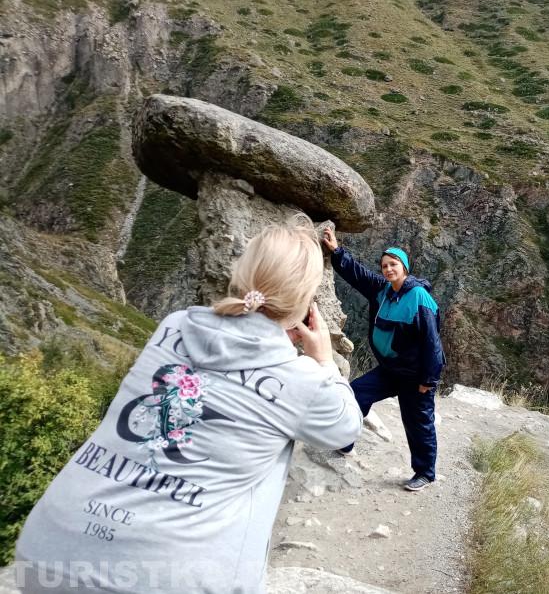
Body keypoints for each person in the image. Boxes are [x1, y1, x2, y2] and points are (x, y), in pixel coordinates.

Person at [14, 219, 363, 593]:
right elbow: (345, 429)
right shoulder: (300, 380)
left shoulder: (176, 325)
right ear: (303, 304)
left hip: (46, 552)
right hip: (160, 579)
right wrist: (323, 361)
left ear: (241, 274)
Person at [322, 227, 445, 492]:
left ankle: (424, 473)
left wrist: (429, 379)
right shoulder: (383, 290)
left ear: (405, 267)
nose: (388, 269)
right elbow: (359, 275)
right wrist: (336, 251)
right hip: (391, 369)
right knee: (355, 394)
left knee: (418, 422)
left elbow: (432, 342)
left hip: (415, 375)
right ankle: (345, 441)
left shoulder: (418, 297)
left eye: (393, 264)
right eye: (385, 265)